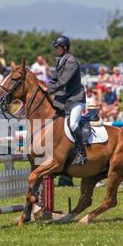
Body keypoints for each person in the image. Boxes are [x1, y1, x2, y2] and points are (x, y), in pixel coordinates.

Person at [40, 35, 87, 165]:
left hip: (75, 98)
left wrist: (48, 90)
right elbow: (55, 79)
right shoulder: (60, 60)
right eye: (54, 47)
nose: (55, 50)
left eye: (57, 47)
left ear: (64, 48)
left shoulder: (71, 61)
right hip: (65, 98)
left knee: (72, 124)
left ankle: (81, 154)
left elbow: (63, 81)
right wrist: (45, 86)